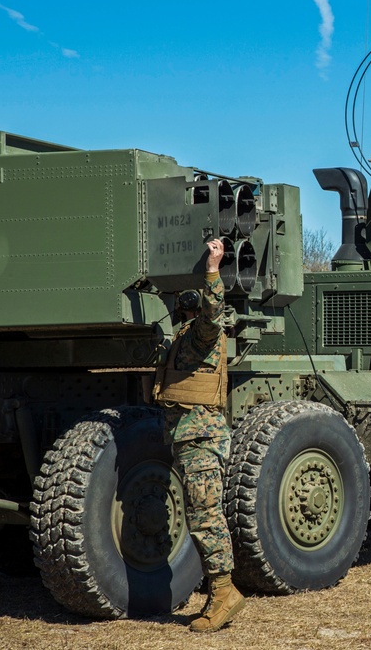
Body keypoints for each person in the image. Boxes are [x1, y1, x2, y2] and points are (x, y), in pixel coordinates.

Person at [154, 238, 245, 632]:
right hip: (191, 438)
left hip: (202, 438)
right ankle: (220, 590)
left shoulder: (202, 335)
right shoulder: (181, 339)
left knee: (206, 517)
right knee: (200, 515)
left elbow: (213, 315)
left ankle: (224, 593)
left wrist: (213, 268)